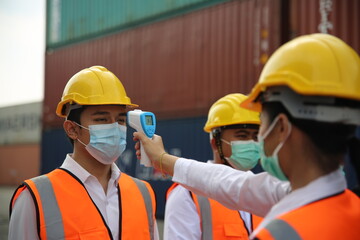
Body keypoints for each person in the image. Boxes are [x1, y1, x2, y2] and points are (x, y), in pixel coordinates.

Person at [133, 33, 360, 239]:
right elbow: (234, 185)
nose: (256, 139)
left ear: (281, 127)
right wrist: (163, 159)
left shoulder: (280, 234)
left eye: (261, 125)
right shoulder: (351, 208)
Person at [9, 66, 159, 240]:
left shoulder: (144, 193)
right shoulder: (34, 198)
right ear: (72, 129)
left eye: (120, 120)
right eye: (101, 119)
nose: (114, 127)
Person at [164, 93, 263, 239]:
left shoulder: (262, 190)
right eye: (242, 135)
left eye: (256, 137)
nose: (252, 143)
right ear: (215, 143)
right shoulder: (188, 195)